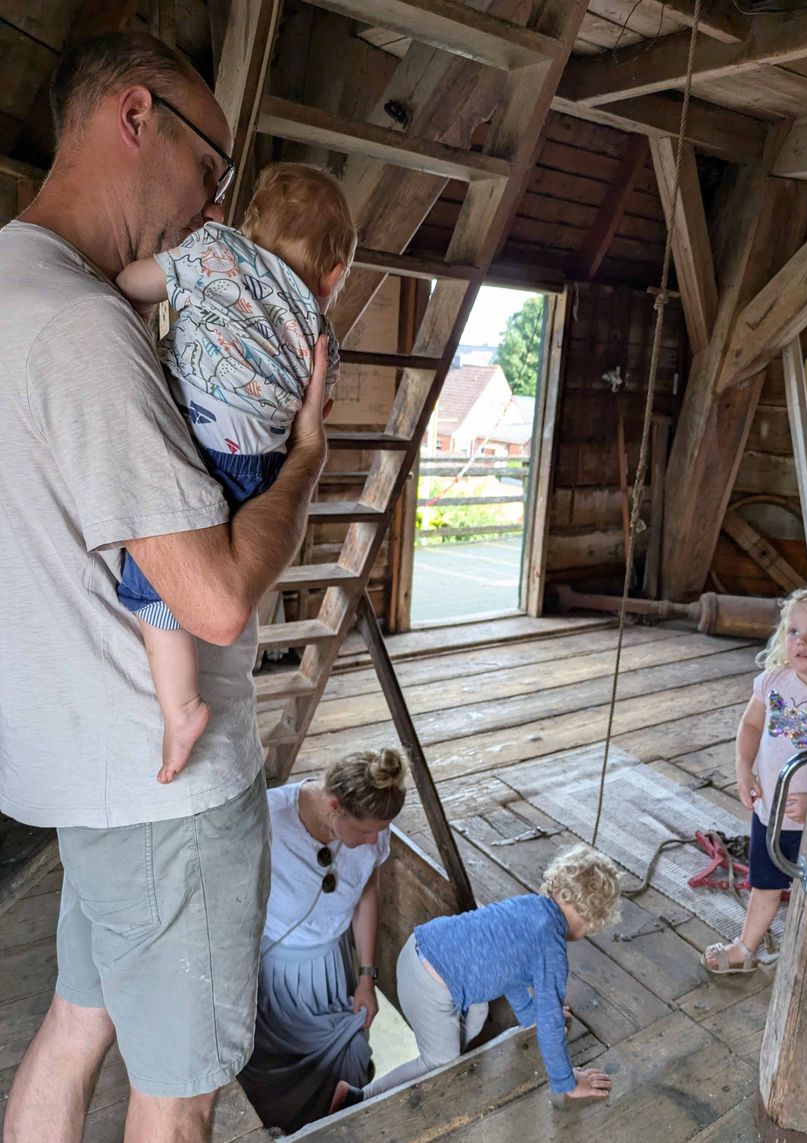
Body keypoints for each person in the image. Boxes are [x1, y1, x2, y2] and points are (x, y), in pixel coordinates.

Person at [1, 32, 329, 1142]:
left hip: (80, 778)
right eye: (211, 169)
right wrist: (305, 465)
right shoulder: (86, 330)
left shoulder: (13, 290)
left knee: (75, 1025)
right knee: (177, 1096)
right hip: (166, 794)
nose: (210, 204)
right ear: (137, 118)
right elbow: (219, 602)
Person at [114, 163, 356, 783]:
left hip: (194, 437)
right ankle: (191, 698)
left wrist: (168, 276)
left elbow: (131, 283)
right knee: (224, 565)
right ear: (331, 278)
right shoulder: (319, 326)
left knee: (156, 579)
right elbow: (316, 407)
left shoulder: (214, 252)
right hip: (260, 464)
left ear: (246, 228)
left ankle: (182, 705)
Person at [332, 844, 620, 1111]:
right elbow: (551, 1022)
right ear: (592, 919)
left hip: (416, 950)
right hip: (430, 987)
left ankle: (450, 1057)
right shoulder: (553, 949)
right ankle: (359, 1098)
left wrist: (531, 1016)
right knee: (440, 1060)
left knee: (479, 1010)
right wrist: (567, 1083)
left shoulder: (529, 906)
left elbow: (513, 975)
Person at [238, 748, 407, 1133]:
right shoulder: (269, 818)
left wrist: (367, 978)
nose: (374, 841)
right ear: (334, 806)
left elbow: (367, 893)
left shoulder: (373, 832)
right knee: (274, 1082)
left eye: (381, 830)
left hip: (333, 970)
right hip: (276, 976)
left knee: (351, 1061)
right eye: (366, 831)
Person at [703, 586, 807, 974]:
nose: (801, 640)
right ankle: (745, 949)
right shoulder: (773, 681)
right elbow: (751, 724)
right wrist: (744, 768)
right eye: (794, 630)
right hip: (770, 812)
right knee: (764, 885)